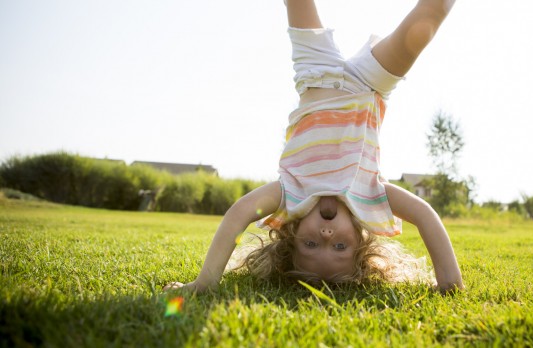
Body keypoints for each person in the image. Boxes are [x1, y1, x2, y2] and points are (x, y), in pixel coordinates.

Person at [165, 0, 463, 293]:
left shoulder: (289, 194)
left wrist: (204, 282)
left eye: (311, 244)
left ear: (290, 236)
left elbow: (239, 214)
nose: (326, 233)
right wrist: (450, 281)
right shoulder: (371, 195)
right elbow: (425, 216)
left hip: (315, 74)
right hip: (369, 83)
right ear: (360, 242)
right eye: (339, 246)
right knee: (432, 13)